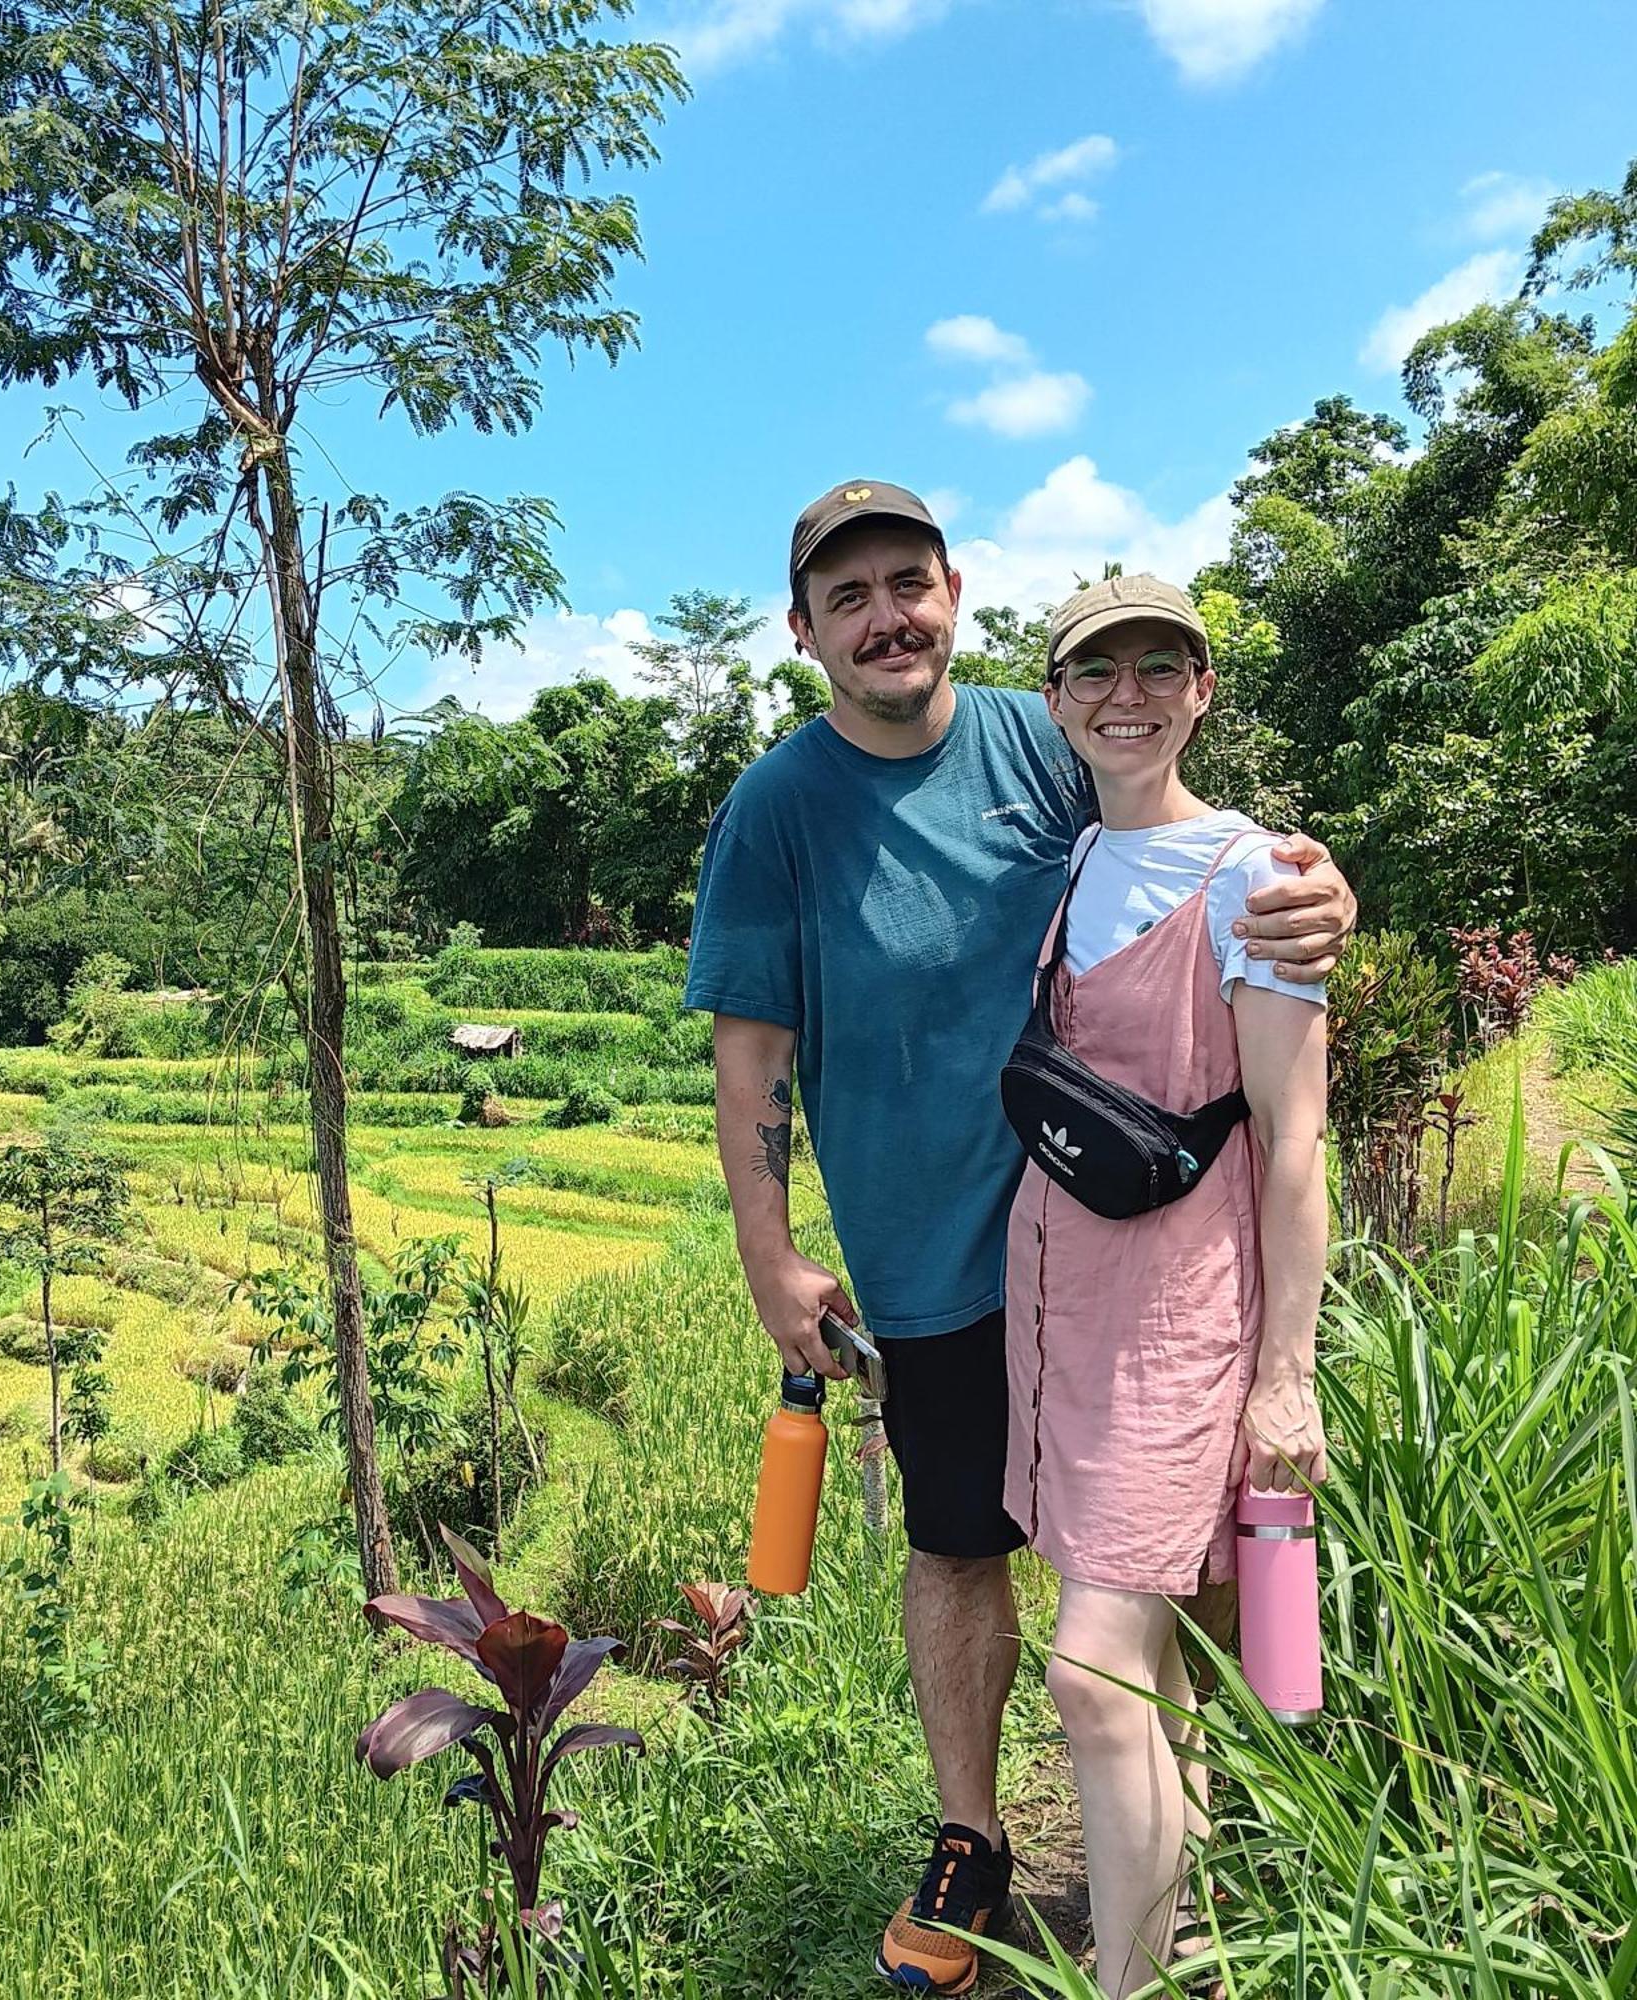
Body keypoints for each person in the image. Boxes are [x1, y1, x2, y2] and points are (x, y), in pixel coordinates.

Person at [682, 482, 1354, 1994]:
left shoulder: (1035, 739)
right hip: (935, 1258)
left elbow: (1179, 835)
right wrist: (770, 1256)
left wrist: (1310, 893)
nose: (884, 618)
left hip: (1125, 1254)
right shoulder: (775, 810)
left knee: (1147, 1576)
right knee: (958, 1547)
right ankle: (977, 1834)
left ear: (955, 591)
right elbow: (749, 1060)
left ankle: (1209, 1831)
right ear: (804, 634)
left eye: (905, 583)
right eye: (847, 599)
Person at [1006, 575, 1328, 1997]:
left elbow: (1296, 1141)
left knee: (1087, 1669)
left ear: (1202, 691)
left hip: (1183, 1317)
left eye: (1159, 668)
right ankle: (1186, 1944)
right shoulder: (1072, 862)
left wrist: (1287, 1372)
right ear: (1059, 699)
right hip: (1061, 1305)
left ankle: (1126, 1986)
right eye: (1095, 673)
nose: (1125, 695)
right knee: (1151, 1660)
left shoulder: (1257, 880)